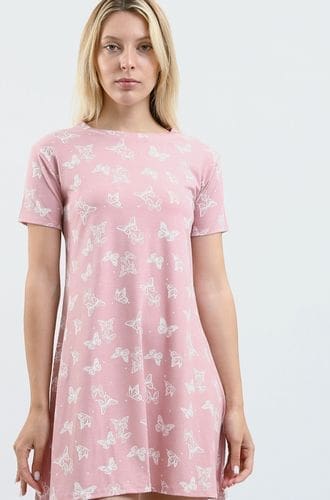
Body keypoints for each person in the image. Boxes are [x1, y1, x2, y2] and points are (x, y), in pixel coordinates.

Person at [12, 1, 254, 499]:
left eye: (144, 47)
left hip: (182, 377)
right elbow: (41, 280)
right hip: (92, 378)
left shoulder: (197, 159)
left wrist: (235, 405)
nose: (127, 62)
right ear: (92, 57)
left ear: (163, 59)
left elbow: (212, 285)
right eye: (112, 47)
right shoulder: (55, 154)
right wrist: (38, 405)